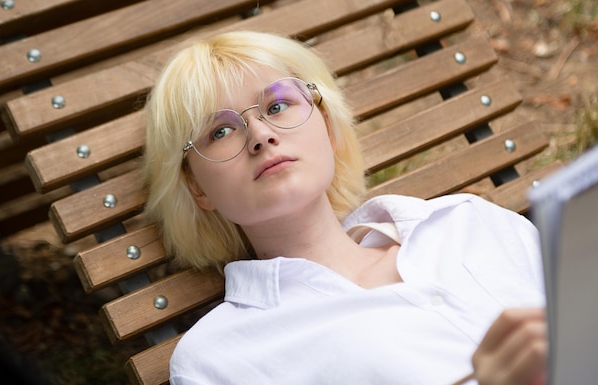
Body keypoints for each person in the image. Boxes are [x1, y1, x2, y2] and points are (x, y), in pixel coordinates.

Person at [142, 30, 548, 385]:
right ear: (196, 186)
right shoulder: (221, 360)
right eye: (222, 130)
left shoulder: (466, 221)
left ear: (327, 124)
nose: (261, 135)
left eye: (278, 105)